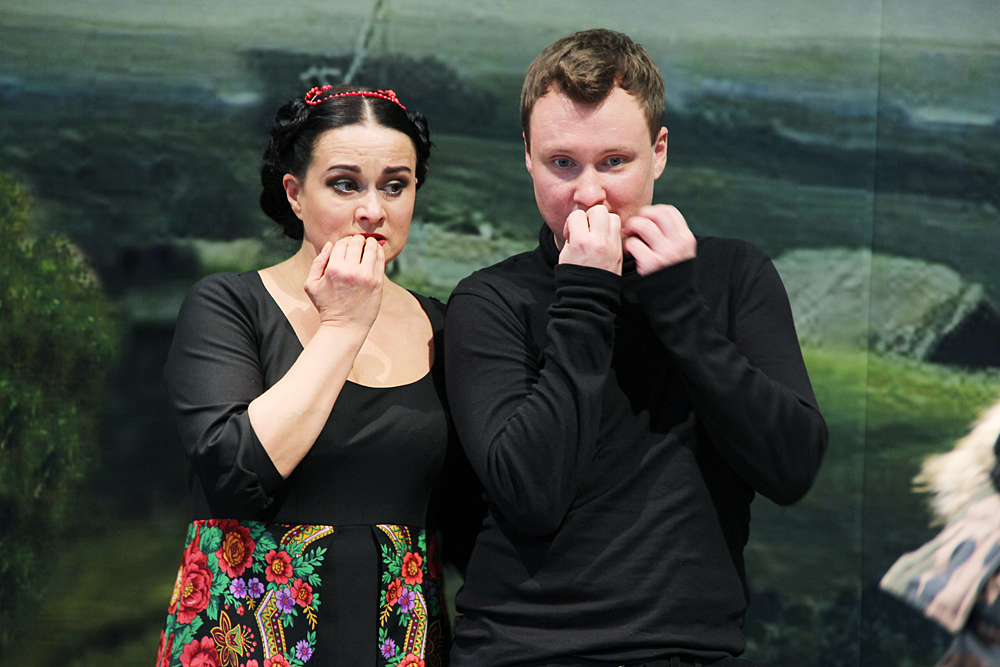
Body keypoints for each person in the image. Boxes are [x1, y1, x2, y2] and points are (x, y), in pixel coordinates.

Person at [444, 29, 829, 667]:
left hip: (686, 649)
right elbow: (532, 495)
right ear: (527, 158)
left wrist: (679, 309)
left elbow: (791, 466)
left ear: (659, 152)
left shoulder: (733, 276)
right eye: (562, 163)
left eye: (614, 162)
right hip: (521, 648)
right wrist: (586, 296)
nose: (588, 193)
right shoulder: (492, 299)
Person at [156, 85, 455, 667]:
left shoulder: (440, 325)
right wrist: (343, 326)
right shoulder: (231, 305)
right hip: (247, 635)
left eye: (395, 185)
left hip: (398, 640)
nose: (373, 210)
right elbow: (236, 474)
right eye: (345, 184)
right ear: (295, 194)